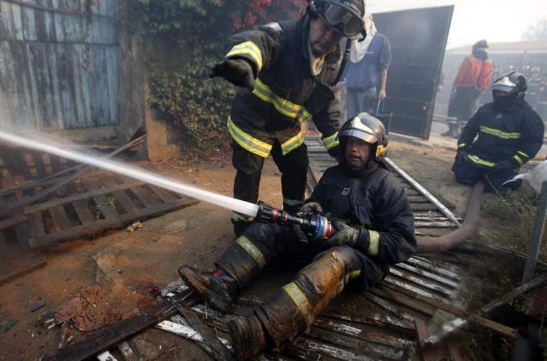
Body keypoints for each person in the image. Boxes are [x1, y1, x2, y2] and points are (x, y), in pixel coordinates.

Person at [178, 113, 416, 360]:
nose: (353, 149)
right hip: (324, 240)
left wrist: (356, 237)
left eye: (362, 144)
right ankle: (221, 283)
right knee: (272, 225)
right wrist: (312, 207)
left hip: (360, 259)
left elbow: (403, 243)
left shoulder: (389, 187)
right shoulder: (335, 175)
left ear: (377, 149)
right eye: (350, 142)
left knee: (337, 259)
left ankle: (263, 330)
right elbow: (319, 202)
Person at [209, 0, 367, 236]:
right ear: (312, 16)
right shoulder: (286, 35)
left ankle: (295, 219)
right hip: (252, 123)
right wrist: (244, 61)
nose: (328, 38)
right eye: (325, 28)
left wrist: (341, 146)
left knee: (297, 167)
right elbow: (257, 42)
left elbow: (325, 104)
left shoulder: (332, 61)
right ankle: (243, 229)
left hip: (286, 128)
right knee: (249, 175)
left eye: (336, 35)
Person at [451, 71, 544, 192]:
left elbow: (533, 143)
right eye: (498, 91)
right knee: (462, 176)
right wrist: (463, 149)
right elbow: (469, 130)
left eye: (504, 92)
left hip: (503, 164)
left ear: (519, 93)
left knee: (499, 188)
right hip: (477, 159)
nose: (500, 95)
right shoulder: (486, 110)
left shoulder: (528, 116)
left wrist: (512, 162)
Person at [342, 13, 391, 120]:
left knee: (364, 120)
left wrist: (382, 89)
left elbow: (384, 67)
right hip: (351, 87)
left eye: (364, 18)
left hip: (367, 89)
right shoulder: (353, 39)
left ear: (370, 19)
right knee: (350, 119)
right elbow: (346, 63)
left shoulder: (380, 40)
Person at [441, 40, 493, 138]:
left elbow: (461, 74)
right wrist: (482, 89)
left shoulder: (469, 60)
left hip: (464, 88)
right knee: (469, 110)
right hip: (477, 91)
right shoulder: (489, 63)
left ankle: (452, 129)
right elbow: (487, 78)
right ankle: (463, 133)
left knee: (455, 108)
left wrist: (455, 86)